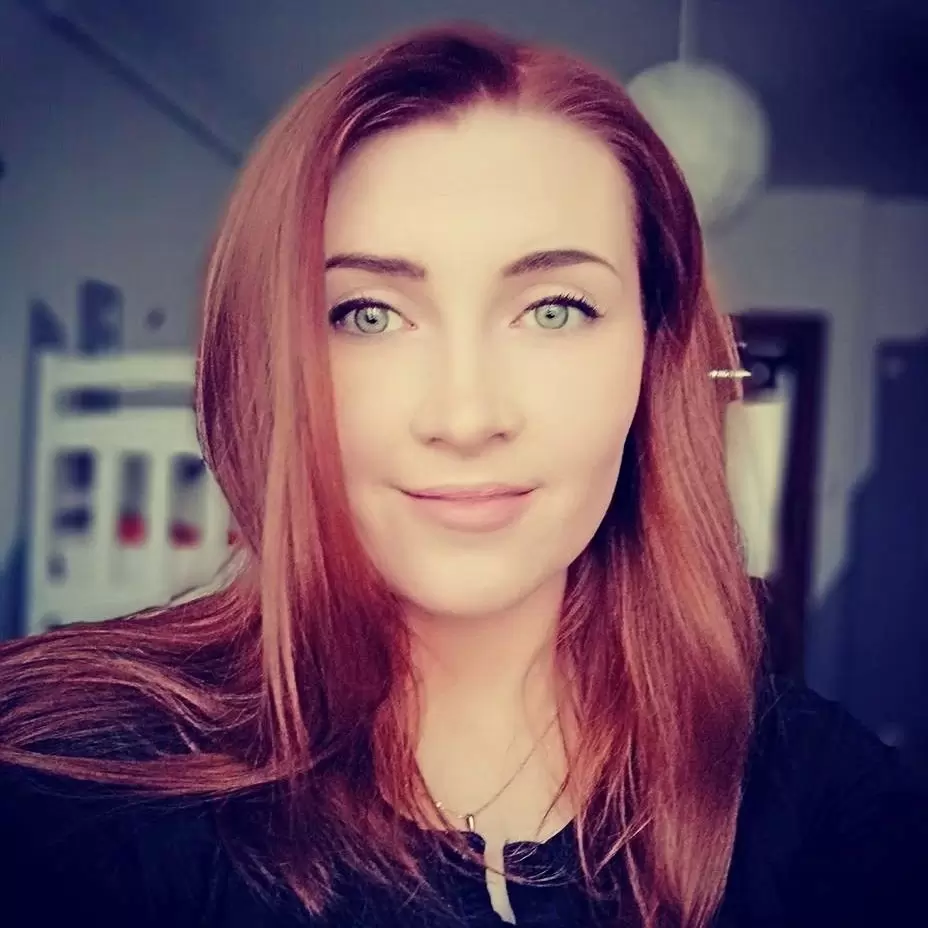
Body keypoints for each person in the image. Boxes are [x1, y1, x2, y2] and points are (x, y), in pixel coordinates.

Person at [0, 22, 925, 928]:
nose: (467, 416)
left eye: (555, 309)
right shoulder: (68, 784)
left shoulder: (819, 798)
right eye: (368, 314)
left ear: (652, 356)